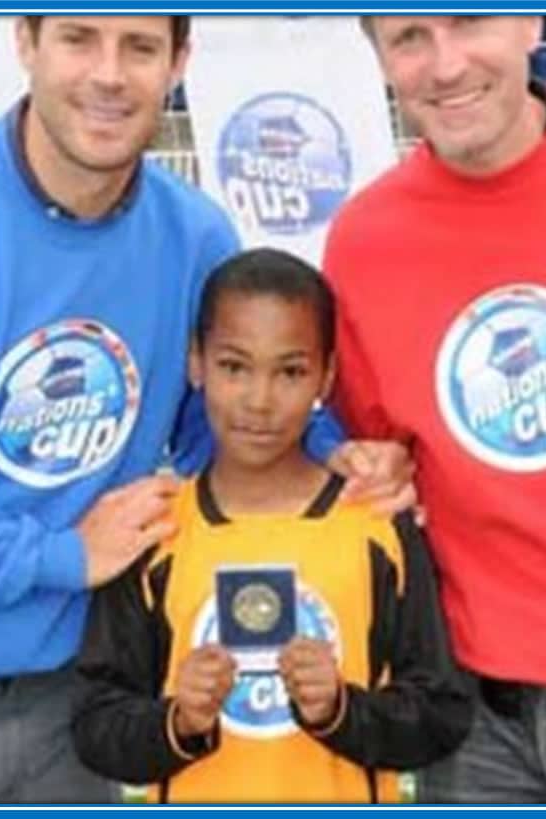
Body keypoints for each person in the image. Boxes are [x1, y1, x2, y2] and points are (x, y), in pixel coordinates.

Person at [0, 14, 412, 805]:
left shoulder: (192, 234)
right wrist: (59, 555)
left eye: (140, 47)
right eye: (79, 38)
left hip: (72, 703)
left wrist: (336, 453)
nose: (109, 74)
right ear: (24, 44)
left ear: (179, 62)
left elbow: (216, 418)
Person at [71, 248, 473, 804]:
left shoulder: (376, 525)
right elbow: (97, 723)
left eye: (290, 371)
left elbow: (440, 714)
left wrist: (340, 710)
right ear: (196, 363)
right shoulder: (154, 529)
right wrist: (180, 721)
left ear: (327, 377)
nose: (259, 401)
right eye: (234, 367)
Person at [323, 15, 546, 804]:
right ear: (378, 57)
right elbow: (371, 451)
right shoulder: (363, 242)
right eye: (409, 36)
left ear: (531, 22)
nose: (444, 65)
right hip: (481, 726)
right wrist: (368, 467)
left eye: (469, 20)